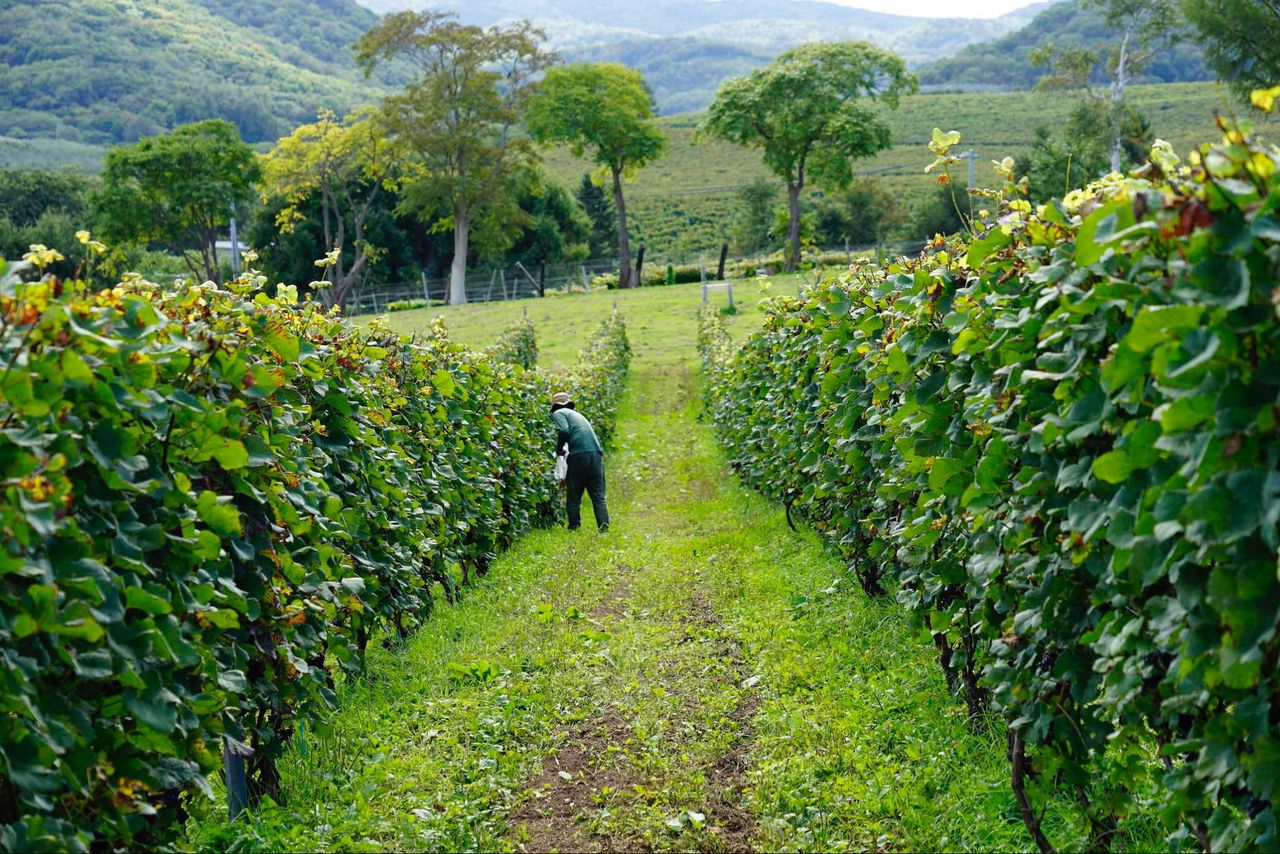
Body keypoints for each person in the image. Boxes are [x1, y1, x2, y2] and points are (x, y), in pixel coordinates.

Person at [550, 391, 609, 532]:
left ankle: (574, 527)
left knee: (574, 494)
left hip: (579, 456)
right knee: (598, 495)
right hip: (596, 455)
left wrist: (558, 450)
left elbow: (563, 431)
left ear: (555, 406)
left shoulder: (559, 413)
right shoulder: (578, 415)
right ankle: (604, 529)